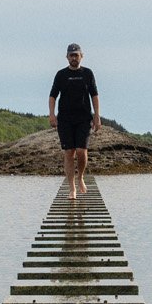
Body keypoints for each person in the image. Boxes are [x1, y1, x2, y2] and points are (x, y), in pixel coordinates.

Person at [48, 43, 101, 197]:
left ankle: (81, 177)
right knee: (69, 152)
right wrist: (52, 114)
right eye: (71, 55)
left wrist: (97, 116)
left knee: (81, 151)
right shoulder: (61, 75)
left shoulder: (88, 74)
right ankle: (72, 187)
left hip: (84, 118)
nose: (73, 58)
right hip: (65, 119)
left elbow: (94, 95)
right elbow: (52, 96)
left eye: (76, 55)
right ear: (67, 57)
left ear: (81, 56)